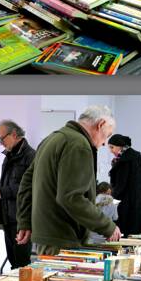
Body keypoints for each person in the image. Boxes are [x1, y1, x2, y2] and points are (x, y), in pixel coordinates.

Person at [16, 105, 122, 256]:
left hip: (48, 235)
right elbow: (71, 198)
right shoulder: (79, 145)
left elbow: (27, 182)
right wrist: (107, 226)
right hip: (64, 238)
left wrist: (25, 221)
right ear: (100, 125)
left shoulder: (52, 138)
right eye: (107, 135)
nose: (105, 143)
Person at [0, 120, 35, 269]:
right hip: (8, 217)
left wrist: (4, 192)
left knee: (22, 264)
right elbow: (9, 183)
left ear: (13, 134)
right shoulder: (9, 156)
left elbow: (30, 187)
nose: (0, 143)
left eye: (2, 139)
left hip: (22, 218)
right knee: (13, 262)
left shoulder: (30, 156)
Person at [108, 134, 141, 236]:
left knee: (124, 233)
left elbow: (121, 185)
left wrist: (110, 199)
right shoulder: (136, 155)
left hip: (127, 203)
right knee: (136, 233)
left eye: (112, 147)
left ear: (120, 146)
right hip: (138, 201)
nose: (111, 151)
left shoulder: (124, 160)